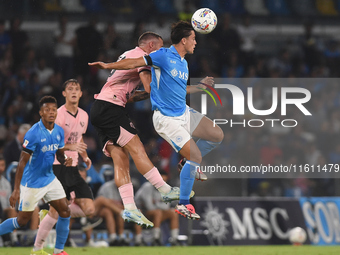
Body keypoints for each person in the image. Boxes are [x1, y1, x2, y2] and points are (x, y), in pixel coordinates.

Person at [89, 21, 224, 220]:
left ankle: (186, 164)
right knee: (192, 156)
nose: (196, 42)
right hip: (167, 118)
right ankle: (184, 203)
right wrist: (108, 64)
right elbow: (135, 63)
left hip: (182, 112)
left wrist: (199, 87)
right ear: (184, 40)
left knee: (216, 134)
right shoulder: (163, 55)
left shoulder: (183, 63)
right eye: (194, 38)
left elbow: (173, 90)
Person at [0, 96, 72, 255]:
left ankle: (59, 251)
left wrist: (65, 159)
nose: (51, 112)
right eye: (47, 110)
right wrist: (16, 190)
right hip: (32, 183)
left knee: (65, 211)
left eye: (54, 109)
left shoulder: (59, 131)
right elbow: (21, 163)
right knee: (21, 221)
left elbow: (59, 155)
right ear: (41, 113)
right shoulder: (33, 134)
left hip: (49, 178)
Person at [34, 79, 96, 251]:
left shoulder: (84, 115)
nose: (74, 91)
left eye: (77, 89)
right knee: (59, 211)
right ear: (64, 94)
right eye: (70, 89)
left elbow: (79, 137)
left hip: (73, 166)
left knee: (90, 209)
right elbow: (50, 142)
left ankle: (50, 214)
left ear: (81, 93)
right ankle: (40, 249)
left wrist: (84, 155)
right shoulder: (58, 115)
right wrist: (70, 148)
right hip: (56, 165)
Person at [0, 154, 39, 247]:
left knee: (35, 209)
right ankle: (13, 239)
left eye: (2, 165)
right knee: (12, 210)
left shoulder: (5, 182)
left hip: (13, 207)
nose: (1, 168)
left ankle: (31, 238)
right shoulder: (13, 182)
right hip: (4, 210)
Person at [135, 171, 179, 246]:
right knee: (157, 212)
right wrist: (159, 204)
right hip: (141, 212)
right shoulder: (147, 186)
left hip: (156, 213)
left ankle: (174, 239)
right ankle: (156, 239)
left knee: (172, 212)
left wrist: (156, 203)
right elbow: (149, 207)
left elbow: (166, 207)